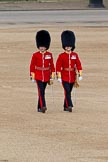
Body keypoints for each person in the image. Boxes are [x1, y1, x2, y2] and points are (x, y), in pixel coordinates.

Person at [56, 30, 83, 112]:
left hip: (72, 76)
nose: (68, 47)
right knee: (67, 91)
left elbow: (78, 64)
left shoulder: (75, 55)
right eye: (66, 46)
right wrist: (59, 76)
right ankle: (70, 105)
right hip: (64, 76)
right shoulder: (61, 56)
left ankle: (65, 106)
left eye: (69, 46)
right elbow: (58, 66)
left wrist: (80, 74)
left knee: (69, 91)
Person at [30, 30, 55, 113]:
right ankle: (43, 106)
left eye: (43, 46)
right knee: (41, 91)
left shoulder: (49, 55)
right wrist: (32, 76)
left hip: (46, 75)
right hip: (38, 75)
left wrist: (52, 76)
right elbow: (32, 66)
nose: (42, 48)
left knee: (42, 91)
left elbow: (52, 65)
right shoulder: (35, 55)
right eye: (40, 46)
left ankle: (39, 107)